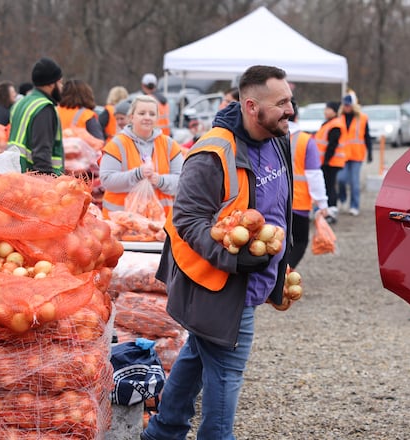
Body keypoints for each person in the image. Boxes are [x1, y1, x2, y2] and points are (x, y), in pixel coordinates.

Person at [140, 65, 294, 440]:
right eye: (282, 103)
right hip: (218, 284)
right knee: (227, 372)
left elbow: (274, 209)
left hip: (250, 278)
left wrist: (279, 264)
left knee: (197, 354)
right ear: (252, 106)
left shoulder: (277, 139)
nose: (290, 110)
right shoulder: (211, 153)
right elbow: (188, 219)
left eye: (291, 100)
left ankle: (162, 431)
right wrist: (234, 259)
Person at [99, 95, 184, 219]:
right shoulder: (117, 144)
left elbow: (183, 181)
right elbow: (107, 180)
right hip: (121, 223)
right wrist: (138, 174)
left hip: (159, 223)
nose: (147, 117)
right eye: (142, 113)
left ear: (157, 118)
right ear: (132, 117)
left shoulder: (170, 145)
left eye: (152, 114)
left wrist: (160, 181)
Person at [287, 98, 328, 268]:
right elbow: (314, 174)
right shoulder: (305, 140)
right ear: (296, 117)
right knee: (299, 242)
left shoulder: (266, 137)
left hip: (271, 202)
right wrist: (322, 202)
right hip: (298, 202)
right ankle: (284, 276)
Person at [7, 57, 65, 175]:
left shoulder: (21, 103)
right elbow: (42, 152)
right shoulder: (44, 108)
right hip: (33, 180)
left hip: (16, 174)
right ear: (51, 84)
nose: (62, 87)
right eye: (60, 82)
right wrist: (46, 181)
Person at [335, 94, 371, 216]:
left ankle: (354, 206)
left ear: (353, 105)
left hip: (357, 155)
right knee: (340, 179)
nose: (347, 107)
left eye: (349, 104)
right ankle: (343, 198)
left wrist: (370, 152)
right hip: (342, 155)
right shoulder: (339, 118)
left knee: (354, 182)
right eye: (345, 104)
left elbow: (367, 136)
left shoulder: (362, 118)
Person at [314, 101, 344, 223]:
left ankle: (331, 211)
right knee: (326, 186)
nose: (325, 111)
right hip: (326, 162)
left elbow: (332, 145)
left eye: (328, 109)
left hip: (331, 163)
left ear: (334, 111)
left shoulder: (335, 125)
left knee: (329, 187)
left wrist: (325, 161)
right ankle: (326, 210)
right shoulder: (329, 123)